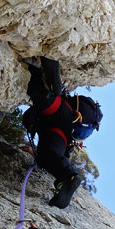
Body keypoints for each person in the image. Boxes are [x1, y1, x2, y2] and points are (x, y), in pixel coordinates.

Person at [23, 57, 101, 209]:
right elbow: (51, 155)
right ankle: (67, 176)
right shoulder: (61, 147)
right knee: (48, 155)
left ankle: (50, 67)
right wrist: (35, 152)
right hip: (60, 133)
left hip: (58, 114)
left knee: (45, 96)